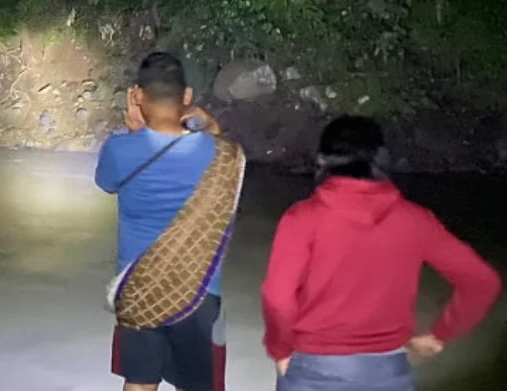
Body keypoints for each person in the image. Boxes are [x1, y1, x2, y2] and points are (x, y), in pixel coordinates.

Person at [262, 115, 502, 391]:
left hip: (314, 367)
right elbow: (482, 281)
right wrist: (440, 336)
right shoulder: (416, 220)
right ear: (380, 160)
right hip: (388, 372)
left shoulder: (301, 219)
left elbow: (278, 297)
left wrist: (279, 349)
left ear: (323, 161)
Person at [95, 52, 242, 391]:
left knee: (140, 380)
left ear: (137, 96)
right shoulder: (222, 154)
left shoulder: (118, 149)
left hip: (139, 288)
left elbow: (106, 183)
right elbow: (223, 147)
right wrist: (210, 123)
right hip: (199, 290)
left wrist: (133, 131)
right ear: (187, 97)